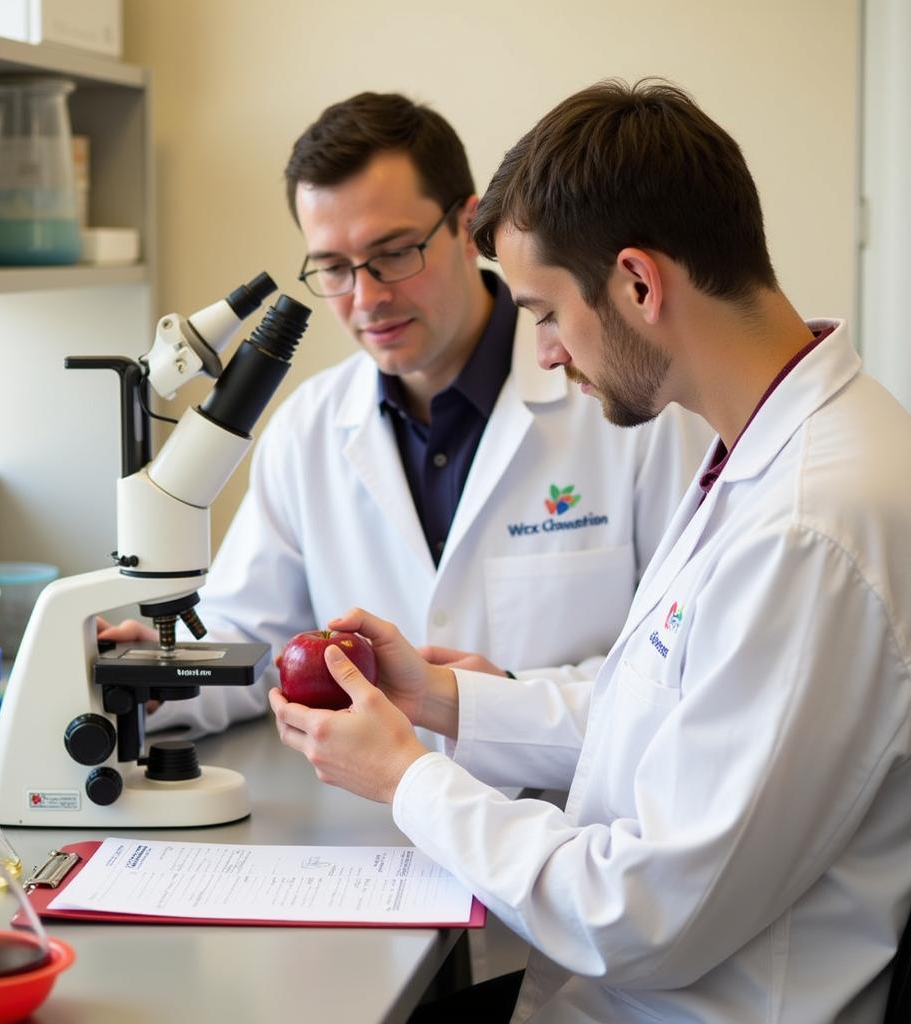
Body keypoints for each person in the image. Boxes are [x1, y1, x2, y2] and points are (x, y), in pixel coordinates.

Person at [269, 79, 911, 1023]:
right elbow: (659, 709)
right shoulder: (768, 449)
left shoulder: (810, 525)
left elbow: (638, 914)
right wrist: (447, 701)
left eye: (545, 313)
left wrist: (409, 779)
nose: (551, 353)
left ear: (638, 283)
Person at [120, 92, 707, 739]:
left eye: (395, 253)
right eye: (334, 269)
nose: (368, 298)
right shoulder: (307, 429)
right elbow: (253, 641)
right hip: (367, 822)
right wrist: (150, 677)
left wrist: (493, 706)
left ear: (468, 224)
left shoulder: (629, 408)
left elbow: (680, 664)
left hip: (565, 816)